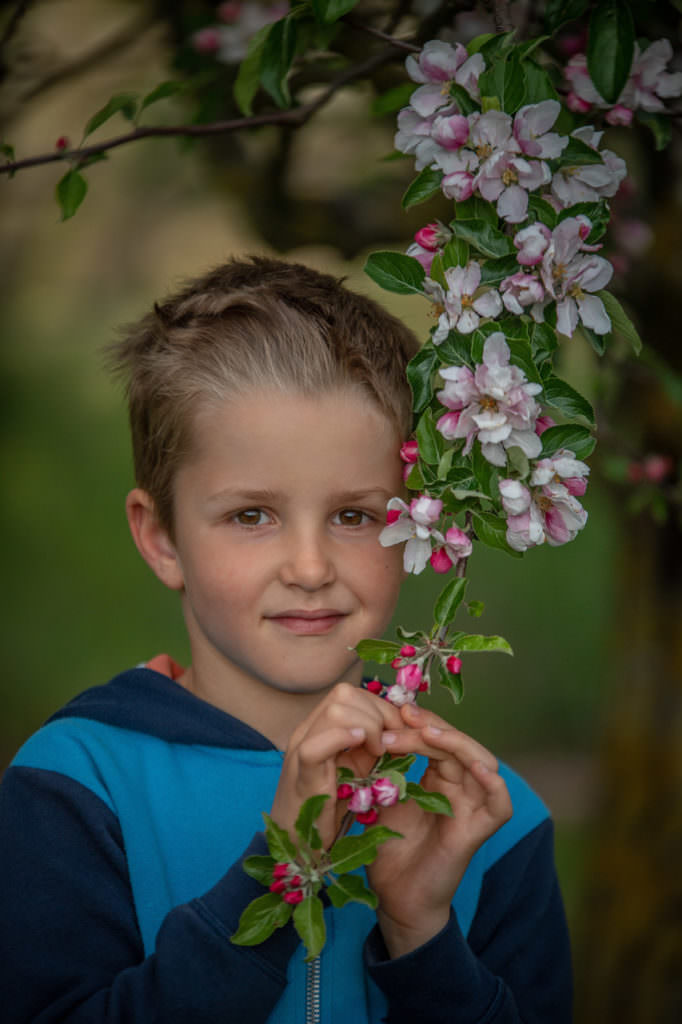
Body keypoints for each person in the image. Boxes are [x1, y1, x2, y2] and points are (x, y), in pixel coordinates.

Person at [0, 256, 572, 1023]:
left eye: (356, 516)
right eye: (251, 516)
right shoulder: (75, 788)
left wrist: (423, 934)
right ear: (161, 536)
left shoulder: (491, 821)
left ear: (417, 524)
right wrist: (277, 871)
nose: (309, 568)